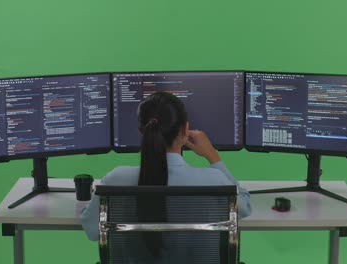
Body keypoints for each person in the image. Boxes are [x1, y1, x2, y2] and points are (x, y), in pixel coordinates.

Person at [80, 91, 251, 242]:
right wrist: (212, 156)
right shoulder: (215, 181)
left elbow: (91, 230)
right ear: (185, 130)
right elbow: (244, 207)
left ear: (142, 132)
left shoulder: (115, 180)